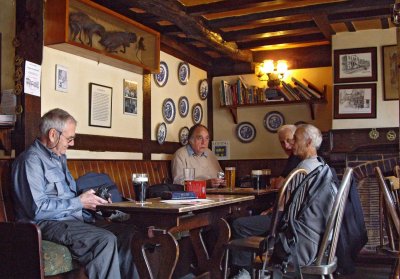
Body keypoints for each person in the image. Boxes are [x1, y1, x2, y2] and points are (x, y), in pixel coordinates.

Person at [12, 108, 138, 279]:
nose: (71, 144)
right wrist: (79, 203)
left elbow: (68, 197)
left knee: (128, 233)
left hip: (72, 220)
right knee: (104, 240)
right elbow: (37, 209)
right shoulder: (30, 161)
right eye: (69, 138)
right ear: (52, 135)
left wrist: (93, 202)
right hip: (45, 224)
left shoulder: (58, 157)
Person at [228, 124, 324, 279]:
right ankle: (261, 270)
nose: (292, 143)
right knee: (257, 216)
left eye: (295, 139)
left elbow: (286, 200)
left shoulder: (302, 169)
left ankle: (245, 272)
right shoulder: (320, 166)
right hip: (308, 224)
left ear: (308, 142)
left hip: (292, 226)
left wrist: (273, 210)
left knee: (239, 224)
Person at [270, 124, 301, 189]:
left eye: (289, 140)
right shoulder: (294, 156)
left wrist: (276, 181)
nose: (286, 146)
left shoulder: (296, 156)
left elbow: (278, 185)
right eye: (282, 142)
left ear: (296, 139)